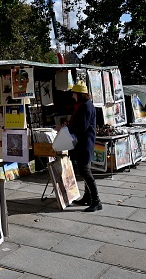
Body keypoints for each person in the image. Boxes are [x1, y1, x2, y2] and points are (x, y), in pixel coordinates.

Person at [66, 81, 102, 212]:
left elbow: (82, 127)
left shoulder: (86, 106)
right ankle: (87, 197)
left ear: (80, 94)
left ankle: (96, 201)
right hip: (83, 142)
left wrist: (67, 128)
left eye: (74, 93)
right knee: (84, 170)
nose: (73, 96)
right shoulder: (82, 105)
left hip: (85, 143)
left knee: (85, 171)